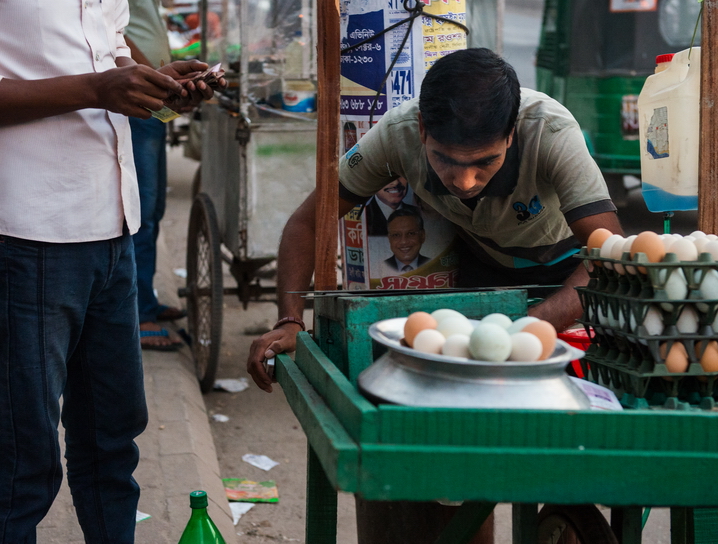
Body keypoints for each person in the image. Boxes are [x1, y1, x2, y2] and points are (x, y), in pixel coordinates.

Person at [246, 48, 622, 542]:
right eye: (445, 159)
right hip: (483, 272)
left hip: (567, 276)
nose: (463, 180)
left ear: (511, 135)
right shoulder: (397, 133)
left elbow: (608, 262)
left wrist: (525, 332)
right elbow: (307, 221)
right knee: (457, 454)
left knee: (562, 433)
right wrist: (290, 319)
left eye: (484, 162)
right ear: (423, 129)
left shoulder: (551, 131)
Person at [0, 1, 223, 542]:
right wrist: (96, 89)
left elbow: (113, 56)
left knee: (111, 442)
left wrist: (162, 94)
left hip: (113, 229)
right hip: (27, 233)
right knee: (22, 456)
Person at [125, 0, 187, 351]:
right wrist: (154, 78)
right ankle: (137, 313)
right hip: (138, 92)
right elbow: (111, 33)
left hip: (150, 94)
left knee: (154, 207)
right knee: (141, 210)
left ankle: (145, 299)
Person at [382, 208, 430, 273]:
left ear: (422, 236)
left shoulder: (433, 264)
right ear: (389, 238)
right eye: (396, 235)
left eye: (411, 233)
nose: (404, 242)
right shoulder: (380, 266)